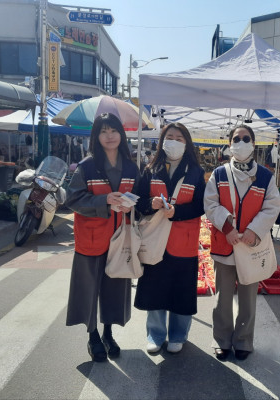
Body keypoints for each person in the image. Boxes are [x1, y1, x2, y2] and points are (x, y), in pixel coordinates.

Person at [65, 113, 141, 362]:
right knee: (89, 289)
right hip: (91, 238)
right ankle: (93, 335)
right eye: (103, 131)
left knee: (114, 288)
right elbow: (73, 199)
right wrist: (104, 201)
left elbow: (139, 197)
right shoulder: (87, 166)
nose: (109, 136)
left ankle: (108, 333)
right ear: (96, 136)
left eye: (114, 130)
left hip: (119, 238)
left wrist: (132, 205)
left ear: (121, 134)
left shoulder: (131, 167)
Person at [204, 125, 280, 361]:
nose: (241, 142)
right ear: (230, 145)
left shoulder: (266, 176)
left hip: (250, 246)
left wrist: (254, 230)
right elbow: (210, 204)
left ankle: (244, 340)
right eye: (236, 139)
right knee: (223, 298)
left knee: (248, 297)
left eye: (246, 139)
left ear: (253, 144)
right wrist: (227, 228)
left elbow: (272, 206)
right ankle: (222, 340)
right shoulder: (219, 174)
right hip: (225, 244)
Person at [134, 122, 205, 354]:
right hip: (156, 240)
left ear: (187, 143)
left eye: (179, 138)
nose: (174, 142)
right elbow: (139, 201)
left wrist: (178, 212)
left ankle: (178, 335)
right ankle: (155, 334)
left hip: (184, 240)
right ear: (162, 141)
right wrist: (150, 204)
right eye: (170, 137)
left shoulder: (196, 172)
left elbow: (201, 206)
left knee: (182, 291)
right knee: (155, 288)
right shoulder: (150, 169)